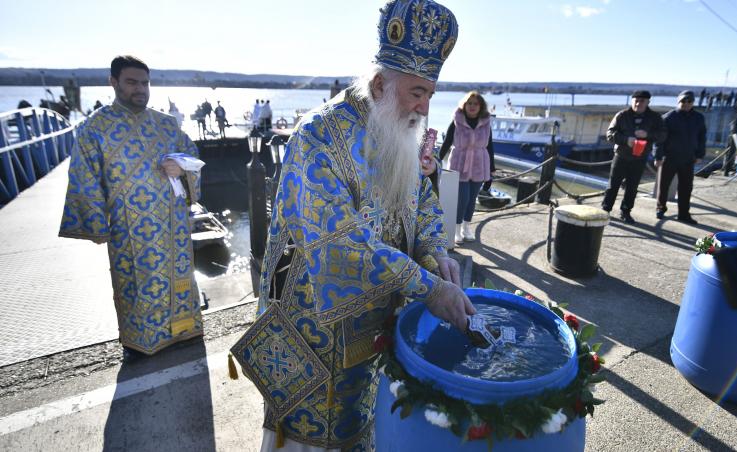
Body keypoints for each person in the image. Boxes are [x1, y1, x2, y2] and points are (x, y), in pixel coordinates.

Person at [245, 1, 471, 450]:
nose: (423, 107)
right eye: (416, 93)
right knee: (312, 437)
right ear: (379, 83)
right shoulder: (318, 137)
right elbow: (342, 245)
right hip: (313, 329)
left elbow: (420, 198)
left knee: (364, 428)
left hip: (376, 321)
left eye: (429, 94)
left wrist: (434, 253)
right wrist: (429, 287)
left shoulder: (399, 128)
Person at [59, 55, 203, 361]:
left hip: (173, 225)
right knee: (138, 283)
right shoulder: (94, 128)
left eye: (145, 83)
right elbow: (84, 178)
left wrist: (182, 167)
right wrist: (95, 225)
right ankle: (141, 341)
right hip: (129, 229)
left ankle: (184, 330)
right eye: (132, 82)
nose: (141, 89)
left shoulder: (166, 125)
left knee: (179, 278)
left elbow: (192, 155)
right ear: (113, 82)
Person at [601, 90, 667, 224]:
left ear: (648, 102)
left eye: (642, 101)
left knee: (632, 187)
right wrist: (626, 140)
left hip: (640, 158)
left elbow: (662, 135)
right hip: (621, 155)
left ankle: (626, 212)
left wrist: (647, 134)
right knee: (613, 185)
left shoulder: (654, 117)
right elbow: (609, 134)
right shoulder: (622, 115)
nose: (638, 103)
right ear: (632, 101)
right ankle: (605, 210)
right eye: (636, 100)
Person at [439, 91, 493, 244]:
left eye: (476, 104)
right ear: (464, 104)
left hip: (479, 165)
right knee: (463, 199)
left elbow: (490, 147)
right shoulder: (457, 120)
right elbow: (447, 142)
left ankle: (466, 228)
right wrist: (437, 159)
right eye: (469, 103)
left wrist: (491, 170)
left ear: (480, 106)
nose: (472, 106)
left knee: (472, 200)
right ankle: (456, 230)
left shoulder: (486, 122)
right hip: (459, 164)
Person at [654, 90, 706, 225]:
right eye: (683, 101)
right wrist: (658, 156)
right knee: (663, 185)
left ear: (693, 102)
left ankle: (683, 214)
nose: (686, 103)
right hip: (669, 157)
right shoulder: (668, 117)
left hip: (688, 158)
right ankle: (660, 208)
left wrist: (700, 154)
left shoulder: (699, 118)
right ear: (678, 101)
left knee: (686, 188)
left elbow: (702, 138)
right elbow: (660, 140)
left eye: (689, 101)